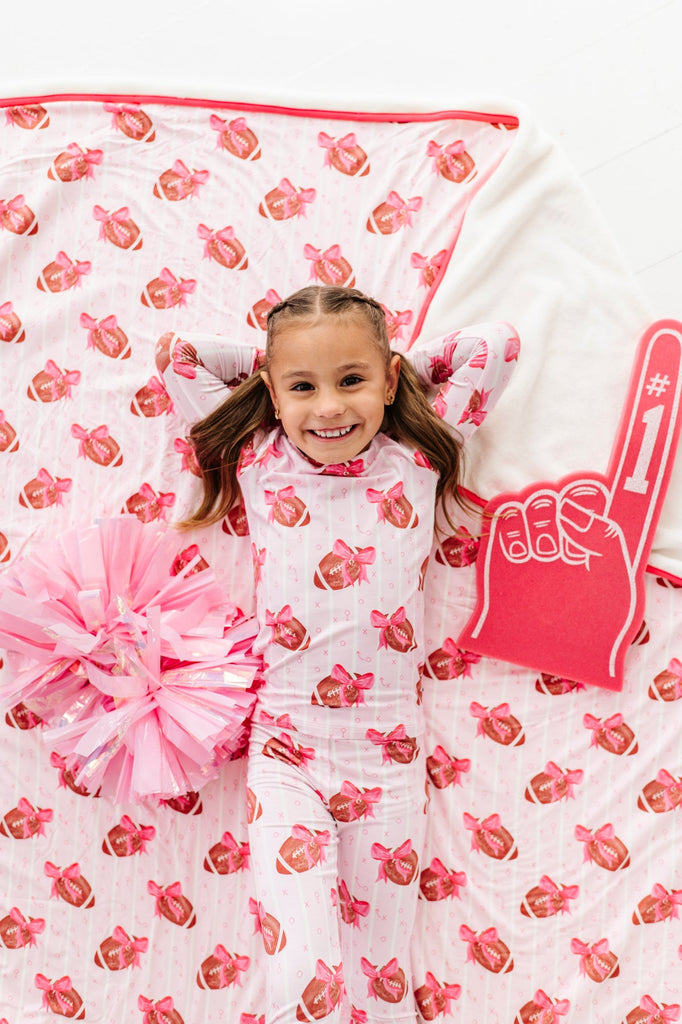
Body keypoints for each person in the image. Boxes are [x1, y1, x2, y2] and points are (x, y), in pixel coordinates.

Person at [158, 285, 519, 1024]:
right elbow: (179, 357)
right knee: (303, 970)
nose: (328, 408)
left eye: (350, 380)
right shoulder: (259, 460)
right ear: (271, 392)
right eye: (303, 388)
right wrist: (281, 368)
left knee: (383, 978)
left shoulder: (417, 456)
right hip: (285, 753)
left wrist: (383, 368)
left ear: (388, 381)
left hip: (388, 760)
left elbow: (497, 346)